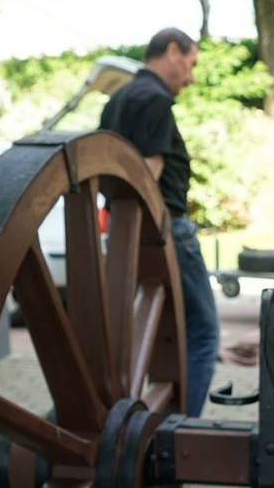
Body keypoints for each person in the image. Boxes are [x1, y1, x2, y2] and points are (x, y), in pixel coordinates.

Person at [99, 27, 219, 417]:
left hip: (123, 234)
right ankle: (178, 435)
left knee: (145, 336)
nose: (191, 76)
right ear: (172, 52)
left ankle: (138, 421)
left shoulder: (116, 101)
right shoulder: (155, 100)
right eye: (191, 63)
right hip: (164, 232)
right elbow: (145, 175)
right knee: (203, 334)